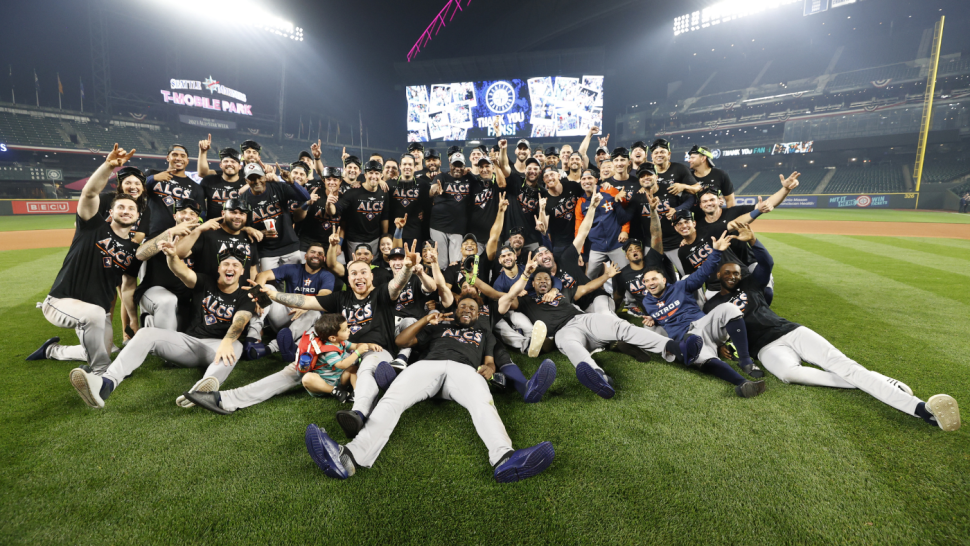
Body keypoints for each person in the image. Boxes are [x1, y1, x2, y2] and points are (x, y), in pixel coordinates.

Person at [706, 223, 960, 431]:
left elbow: (767, 263)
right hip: (764, 348)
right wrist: (719, 347)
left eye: (737, 273)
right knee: (790, 375)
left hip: (791, 331)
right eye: (728, 272)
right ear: (718, 275)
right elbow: (713, 331)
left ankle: (922, 409)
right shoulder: (712, 305)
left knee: (844, 365)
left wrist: (754, 241)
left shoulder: (750, 285)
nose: (733, 275)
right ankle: (878, 381)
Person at [304, 292, 556, 483]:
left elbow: (489, 361)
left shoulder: (485, 334)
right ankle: (349, 456)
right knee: (391, 401)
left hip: (464, 370)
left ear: (479, 314)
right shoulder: (438, 326)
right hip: (428, 366)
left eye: (473, 308)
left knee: (482, 403)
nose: (467, 309)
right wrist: (426, 319)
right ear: (456, 310)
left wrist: (490, 369)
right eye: (463, 306)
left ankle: (504, 458)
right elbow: (402, 340)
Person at [182, 248, 417, 420]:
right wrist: (274, 296)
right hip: (342, 352)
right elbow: (305, 300)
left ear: (372, 276)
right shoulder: (340, 298)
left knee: (367, 367)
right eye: (354, 273)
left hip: (374, 351)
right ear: (348, 278)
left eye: (363, 272)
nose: (359, 277)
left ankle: (360, 413)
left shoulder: (382, 295)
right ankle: (227, 399)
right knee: (294, 369)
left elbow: (397, 285)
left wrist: (406, 267)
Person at [69, 243, 255, 409]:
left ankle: (203, 392)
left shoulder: (246, 296)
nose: (230, 268)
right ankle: (106, 383)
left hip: (218, 349)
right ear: (219, 268)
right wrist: (172, 256)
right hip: (189, 343)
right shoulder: (205, 281)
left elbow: (241, 319)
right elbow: (182, 271)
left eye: (235, 265)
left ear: (241, 271)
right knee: (146, 333)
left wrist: (227, 341)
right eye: (226, 264)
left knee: (236, 345)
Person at [497, 258, 688, 399]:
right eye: (538, 279)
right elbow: (503, 303)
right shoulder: (525, 300)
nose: (542, 281)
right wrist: (524, 276)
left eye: (546, 278)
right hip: (563, 331)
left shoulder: (562, 292)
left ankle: (672, 347)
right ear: (532, 283)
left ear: (551, 282)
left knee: (621, 326)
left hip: (584, 319)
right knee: (569, 345)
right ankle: (599, 376)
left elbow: (587, 288)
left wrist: (606, 276)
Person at [27, 144, 141, 372]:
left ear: (137, 217)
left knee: (102, 345)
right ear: (111, 212)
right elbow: (89, 193)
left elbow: (127, 287)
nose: (126, 211)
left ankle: (52, 351)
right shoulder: (92, 226)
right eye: (121, 207)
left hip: (98, 312)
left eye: (131, 209)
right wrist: (108, 166)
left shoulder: (132, 249)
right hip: (62, 302)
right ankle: (100, 373)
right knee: (97, 328)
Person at [640, 231, 766, 398]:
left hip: (703, 324)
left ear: (663, 280)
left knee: (729, 308)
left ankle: (745, 361)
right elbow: (660, 316)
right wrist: (652, 318)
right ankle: (742, 383)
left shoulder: (680, 286)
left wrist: (717, 252)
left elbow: (703, 272)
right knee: (702, 358)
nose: (650, 283)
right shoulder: (647, 302)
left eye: (654, 279)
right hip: (686, 338)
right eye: (647, 281)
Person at [246, 242, 336, 361]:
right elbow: (263, 275)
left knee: (315, 312)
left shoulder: (327, 275)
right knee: (268, 289)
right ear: (305, 256)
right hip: (286, 313)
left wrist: (306, 306)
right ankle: (253, 336)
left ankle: (271, 348)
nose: (316, 255)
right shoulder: (292, 268)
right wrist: (258, 296)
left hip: (304, 321)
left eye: (320, 253)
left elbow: (324, 295)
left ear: (324, 258)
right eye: (312, 252)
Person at [133, 199, 205, 331]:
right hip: (155, 291)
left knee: (189, 333)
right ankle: (162, 344)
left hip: (185, 297)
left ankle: (152, 323)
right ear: (174, 216)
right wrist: (170, 233)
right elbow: (140, 254)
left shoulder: (201, 239)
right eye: (182, 212)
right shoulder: (161, 234)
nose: (187, 216)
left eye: (193, 213)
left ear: (197, 218)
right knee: (167, 301)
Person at [241, 162, 310, 270]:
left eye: (259, 177)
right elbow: (239, 227)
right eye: (252, 178)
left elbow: (305, 197)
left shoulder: (277, 187)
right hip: (266, 251)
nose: (257, 181)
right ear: (246, 180)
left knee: (294, 283)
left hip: (290, 246)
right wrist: (257, 232)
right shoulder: (243, 201)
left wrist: (292, 182)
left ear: (264, 176)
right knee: (269, 285)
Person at [575, 170, 631, 291]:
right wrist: (579, 251)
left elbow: (624, 214)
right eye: (583, 179)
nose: (586, 181)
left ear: (596, 180)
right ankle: (588, 302)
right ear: (580, 182)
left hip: (616, 243)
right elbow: (578, 229)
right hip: (596, 247)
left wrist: (625, 230)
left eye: (589, 178)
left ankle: (631, 304)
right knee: (589, 277)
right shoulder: (581, 202)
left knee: (628, 276)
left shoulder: (610, 192)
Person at [647, 139, 697, 274]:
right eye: (656, 152)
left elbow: (693, 193)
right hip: (654, 239)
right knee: (662, 276)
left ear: (669, 154)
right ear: (651, 156)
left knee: (686, 273)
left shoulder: (679, 169)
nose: (659, 154)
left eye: (662, 152)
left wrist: (683, 187)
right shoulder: (648, 171)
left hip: (676, 236)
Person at [299, 313, 366, 403]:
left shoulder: (341, 342)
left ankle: (357, 393)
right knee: (307, 378)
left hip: (339, 379)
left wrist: (369, 345)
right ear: (333, 338)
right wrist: (358, 352)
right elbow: (342, 365)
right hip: (323, 384)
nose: (348, 330)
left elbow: (355, 345)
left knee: (353, 369)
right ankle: (334, 391)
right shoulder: (328, 350)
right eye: (345, 330)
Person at [331, 159, 388, 261]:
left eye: (377, 173)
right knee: (355, 267)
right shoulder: (352, 193)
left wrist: (384, 238)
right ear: (365, 175)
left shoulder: (384, 193)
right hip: (354, 239)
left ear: (381, 176)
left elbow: (385, 217)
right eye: (370, 173)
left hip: (375, 239)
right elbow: (336, 210)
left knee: (372, 268)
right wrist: (329, 204)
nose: (374, 176)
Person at [144, 143, 207, 236]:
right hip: (151, 234)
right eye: (174, 155)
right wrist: (153, 178)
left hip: (180, 236)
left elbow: (201, 215)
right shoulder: (153, 174)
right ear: (168, 158)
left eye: (183, 156)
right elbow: (135, 189)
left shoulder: (196, 187)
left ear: (187, 160)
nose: (178, 158)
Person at [427, 153, 474, 267]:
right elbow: (431, 191)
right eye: (454, 165)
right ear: (450, 165)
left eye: (460, 165)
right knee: (440, 263)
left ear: (464, 166)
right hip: (438, 225)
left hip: (458, 228)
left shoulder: (469, 179)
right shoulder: (441, 177)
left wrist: (471, 173)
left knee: (456, 263)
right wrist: (434, 190)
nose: (457, 168)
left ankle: (454, 284)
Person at [196, 135, 246, 220]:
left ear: (240, 167)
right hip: (212, 229)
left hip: (237, 228)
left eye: (233, 162)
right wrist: (203, 152)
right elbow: (202, 173)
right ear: (221, 165)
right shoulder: (209, 180)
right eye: (226, 161)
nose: (229, 164)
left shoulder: (246, 183)